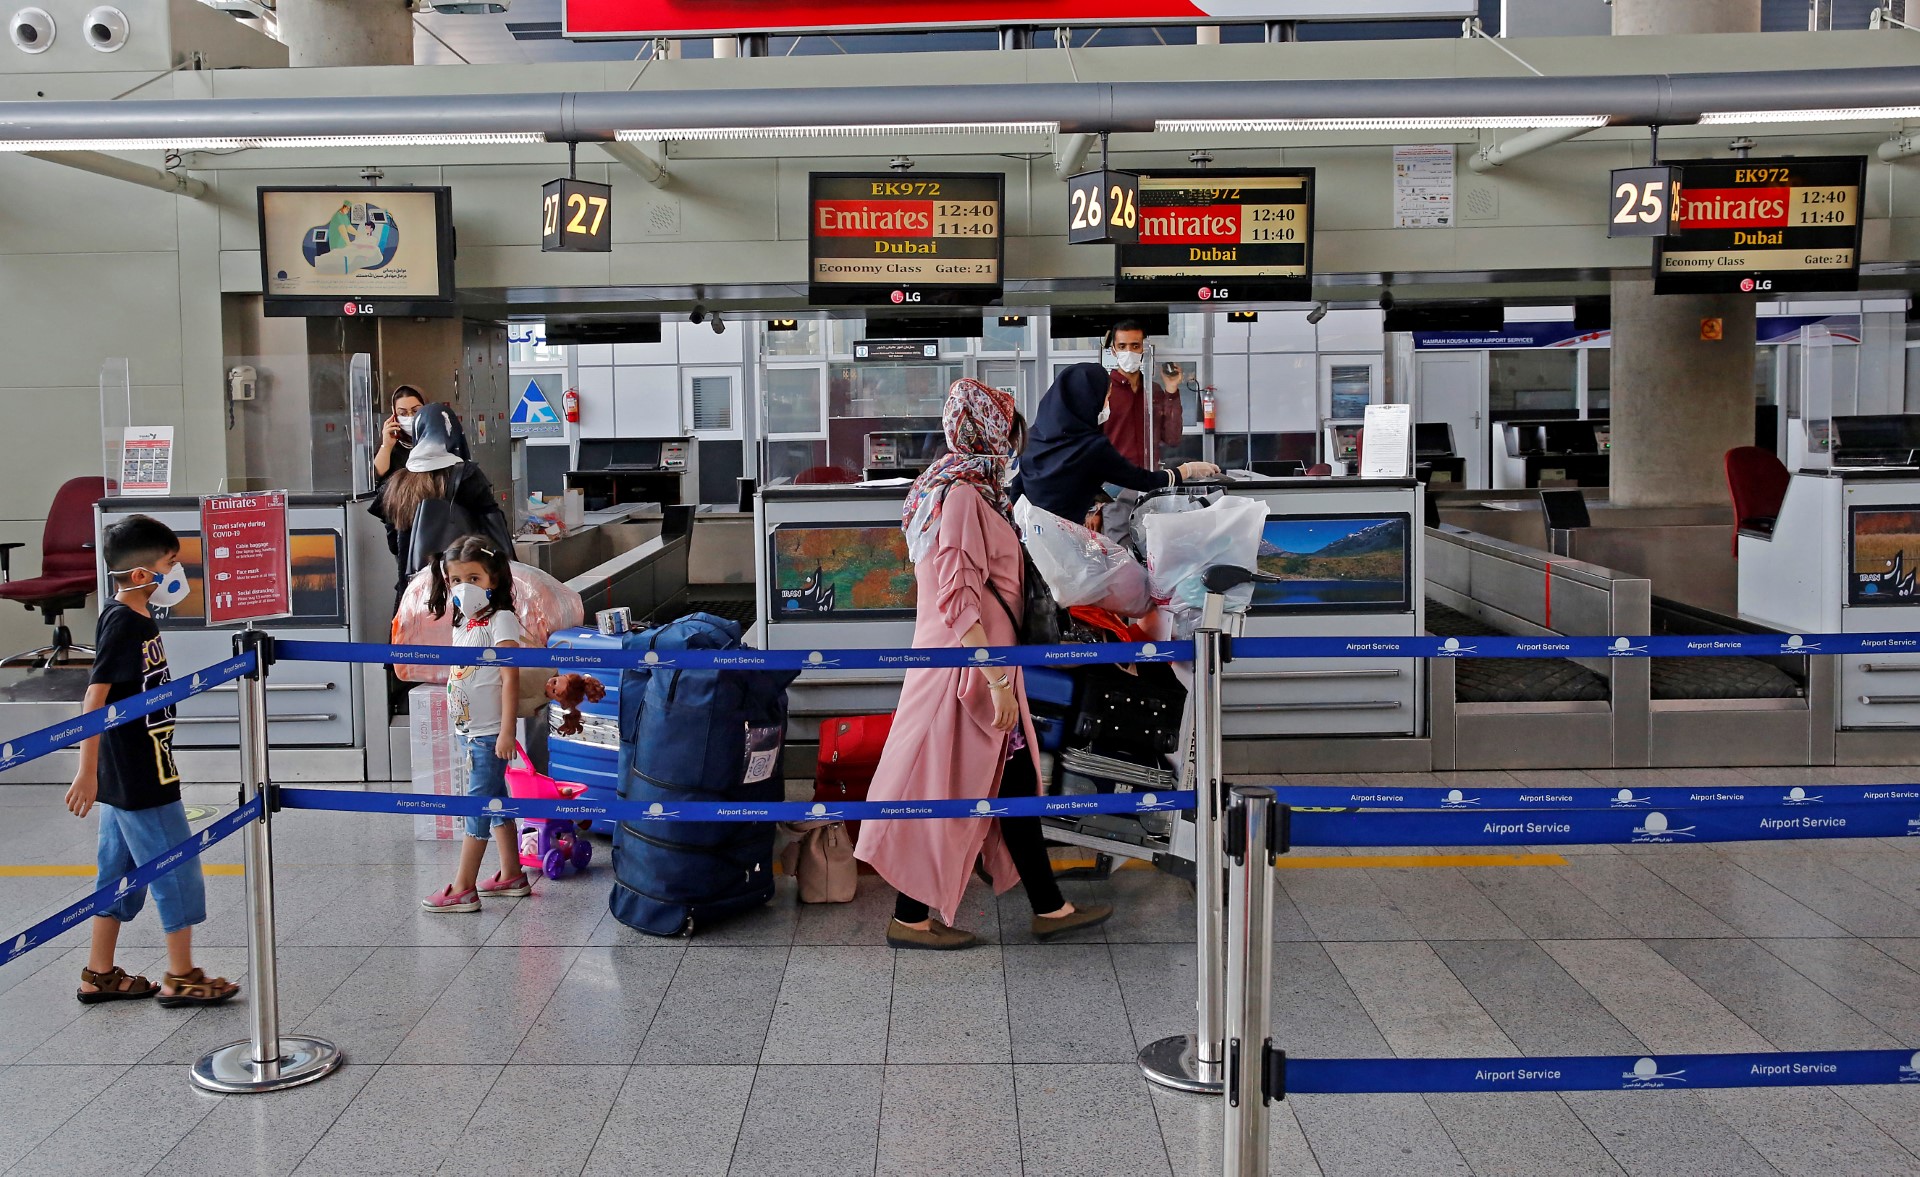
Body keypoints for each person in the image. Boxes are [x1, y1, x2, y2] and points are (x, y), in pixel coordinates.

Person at [856, 378, 1112, 949]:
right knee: (938, 784)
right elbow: (957, 595)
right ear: (988, 430)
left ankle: (1049, 906)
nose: (1016, 439)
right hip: (966, 672)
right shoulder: (964, 496)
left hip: (981, 667)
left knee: (1012, 780)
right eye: (1010, 427)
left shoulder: (958, 486)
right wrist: (995, 679)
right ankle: (909, 917)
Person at [65, 515, 238, 1007]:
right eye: (170, 564)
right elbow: (94, 699)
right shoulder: (124, 621)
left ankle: (98, 974)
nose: (176, 573)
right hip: (140, 773)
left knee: (115, 874)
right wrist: (86, 771)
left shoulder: (133, 617)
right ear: (142, 575)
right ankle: (181, 975)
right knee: (176, 869)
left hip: (132, 767)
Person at [421, 535, 532, 912]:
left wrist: (506, 731)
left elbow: (509, 677)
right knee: (495, 798)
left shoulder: (502, 620)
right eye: (455, 580)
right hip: (469, 732)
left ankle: (463, 886)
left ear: (493, 580)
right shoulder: (462, 624)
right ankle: (511, 874)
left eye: (474, 578)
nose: (463, 587)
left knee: (478, 805)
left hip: (488, 734)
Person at [1016, 362, 1220, 528]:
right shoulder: (1092, 448)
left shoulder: (1032, 437)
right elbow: (1145, 480)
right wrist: (1188, 469)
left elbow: (1017, 492)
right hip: (1067, 542)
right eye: (1106, 398)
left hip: (1032, 539)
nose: (1106, 405)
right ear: (1088, 400)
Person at [369, 401, 510, 604]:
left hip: (415, 589)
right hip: (465, 586)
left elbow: (394, 543)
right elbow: (495, 530)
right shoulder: (466, 475)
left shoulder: (398, 482)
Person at [1101, 319, 1188, 470]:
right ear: (1114, 351)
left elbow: (1172, 438)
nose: (1129, 352)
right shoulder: (1103, 391)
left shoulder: (1153, 390)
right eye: (1122, 346)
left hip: (1149, 476)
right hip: (1113, 479)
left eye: (1135, 346)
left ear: (1144, 349)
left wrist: (1171, 388)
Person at [372, 384, 468, 482]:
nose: (410, 417)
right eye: (402, 413)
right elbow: (376, 475)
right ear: (394, 415)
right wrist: (386, 446)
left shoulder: (439, 438)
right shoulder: (391, 441)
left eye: (415, 411)